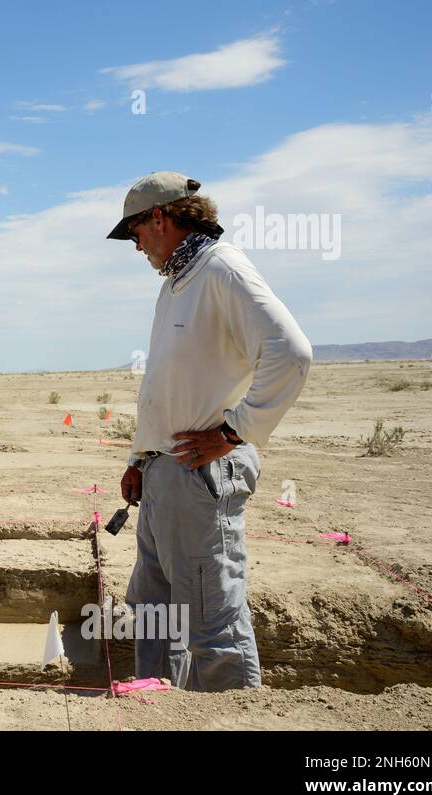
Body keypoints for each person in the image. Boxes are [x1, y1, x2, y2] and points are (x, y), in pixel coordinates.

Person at [109, 171, 312, 692]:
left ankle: (233, 715)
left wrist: (235, 432)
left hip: (200, 472)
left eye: (134, 233)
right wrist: (140, 459)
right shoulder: (177, 282)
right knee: (154, 608)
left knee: (209, 616)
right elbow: (171, 382)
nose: (135, 247)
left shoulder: (222, 269)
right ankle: (154, 707)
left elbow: (291, 353)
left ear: (160, 217)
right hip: (163, 474)